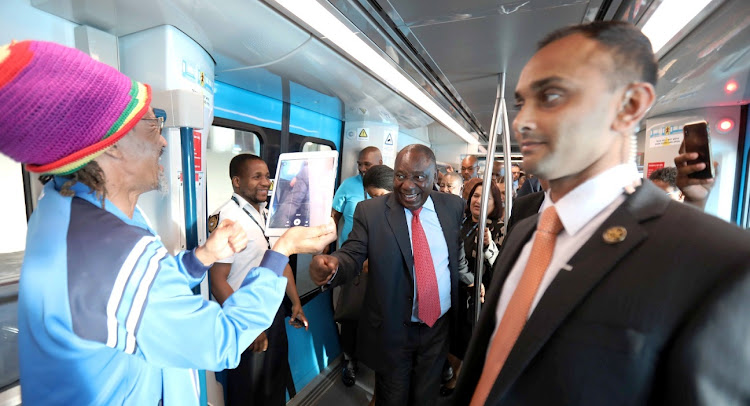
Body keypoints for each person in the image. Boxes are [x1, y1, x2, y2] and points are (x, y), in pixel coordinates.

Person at [0, 40, 337, 405]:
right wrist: (283, 249)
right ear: (109, 144)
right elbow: (220, 340)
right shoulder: (112, 254)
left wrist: (200, 258)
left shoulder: (67, 208)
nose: (162, 139)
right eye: (150, 125)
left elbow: (146, 285)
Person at [453, 21, 750, 406]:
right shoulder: (526, 232)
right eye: (521, 102)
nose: (522, 121)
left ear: (628, 107)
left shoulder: (719, 261)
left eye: (552, 96)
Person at [310, 144, 469, 406]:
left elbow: (453, 256)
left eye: (418, 177)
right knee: (391, 399)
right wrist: (333, 265)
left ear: (434, 178)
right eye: (401, 175)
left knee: (425, 399)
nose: (408, 185)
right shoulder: (371, 212)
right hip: (393, 329)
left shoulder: (452, 207)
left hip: (436, 330)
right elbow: (352, 252)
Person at [209, 154, 308, 405]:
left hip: (272, 313)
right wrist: (247, 327)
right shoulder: (228, 220)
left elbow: (279, 260)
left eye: (266, 176)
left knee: (273, 385)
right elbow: (218, 281)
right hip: (244, 317)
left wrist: (295, 302)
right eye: (257, 177)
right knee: (247, 392)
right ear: (237, 181)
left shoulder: (267, 215)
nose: (265, 182)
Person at [443, 181, 504, 396]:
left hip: (478, 295)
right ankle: (451, 375)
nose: (478, 201)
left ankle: (458, 382)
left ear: (495, 203)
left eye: (486, 197)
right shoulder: (462, 222)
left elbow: (501, 266)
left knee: (465, 341)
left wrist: (489, 247)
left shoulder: (498, 228)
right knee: (450, 339)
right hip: (454, 291)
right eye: (476, 196)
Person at [330, 146, 382, 385]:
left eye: (367, 165)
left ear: (380, 163)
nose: (362, 169)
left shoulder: (389, 188)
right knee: (350, 314)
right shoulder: (348, 186)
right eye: (360, 164)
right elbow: (335, 217)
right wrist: (327, 250)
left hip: (381, 265)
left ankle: (373, 358)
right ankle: (349, 360)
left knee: (375, 316)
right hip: (352, 262)